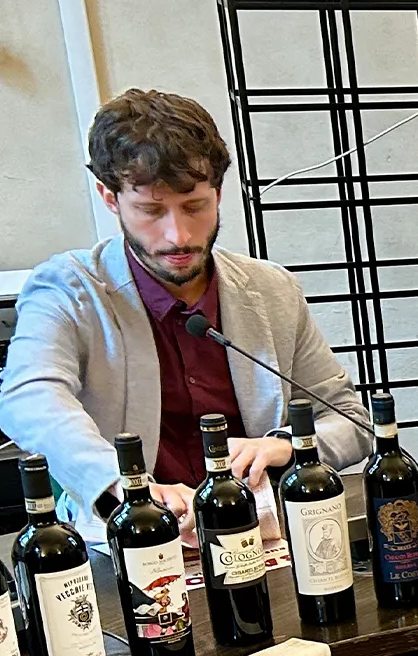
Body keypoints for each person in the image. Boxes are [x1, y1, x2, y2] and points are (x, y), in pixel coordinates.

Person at [0, 89, 369, 542]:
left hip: (264, 534)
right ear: (110, 198)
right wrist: (126, 485)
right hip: (131, 543)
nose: (179, 236)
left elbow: (352, 421)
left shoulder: (272, 289)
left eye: (195, 207)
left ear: (219, 191)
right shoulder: (67, 289)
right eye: (151, 211)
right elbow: (27, 397)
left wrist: (288, 444)